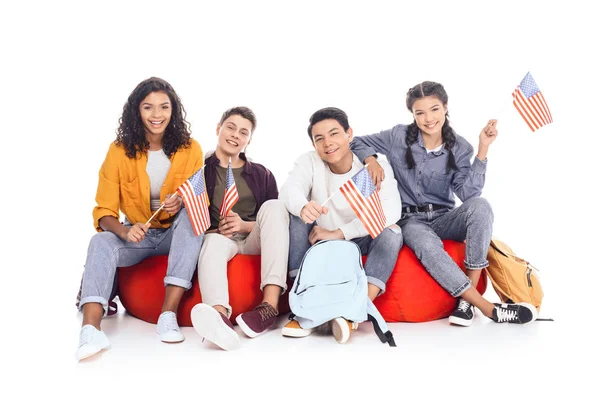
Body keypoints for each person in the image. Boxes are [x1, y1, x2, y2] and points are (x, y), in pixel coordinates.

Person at [350, 81, 538, 326]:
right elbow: (356, 142)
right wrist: (371, 159)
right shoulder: (397, 136)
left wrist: (482, 149)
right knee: (426, 245)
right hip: (410, 220)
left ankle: (466, 301)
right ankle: (486, 307)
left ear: (445, 108)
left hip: (444, 217)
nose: (428, 118)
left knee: (481, 205)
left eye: (434, 109)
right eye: (420, 112)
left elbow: (468, 194)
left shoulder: (460, 147)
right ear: (413, 115)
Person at [76, 77, 205, 361]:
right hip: (139, 237)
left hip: (176, 235)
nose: (156, 115)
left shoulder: (190, 149)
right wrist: (124, 232)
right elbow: (104, 210)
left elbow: (200, 202)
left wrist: (182, 201)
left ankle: (167, 315)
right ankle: (90, 330)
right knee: (100, 241)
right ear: (137, 110)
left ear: (174, 111)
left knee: (192, 220)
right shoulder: (119, 150)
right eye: (148, 107)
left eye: (164, 107)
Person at [279, 107, 403, 344]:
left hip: (359, 237)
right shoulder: (309, 161)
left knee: (393, 232)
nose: (328, 143)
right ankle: (303, 307)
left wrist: (340, 233)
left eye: (334, 134)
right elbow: (289, 189)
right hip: (322, 242)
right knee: (296, 214)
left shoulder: (373, 167)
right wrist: (303, 206)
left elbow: (391, 211)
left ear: (349, 134)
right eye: (319, 138)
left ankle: (355, 309)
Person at [190, 107, 288, 351]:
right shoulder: (199, 168)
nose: (235, 135)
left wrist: (245, 224)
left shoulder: (262, 174)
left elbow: (274, 222)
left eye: (243, 132)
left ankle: (269, 307)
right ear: (218, 129)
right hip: (220, 239)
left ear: (249, 140)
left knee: (276, 207)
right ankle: (219, 316)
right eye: (230, 127)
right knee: (212, 243)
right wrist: (213, 230)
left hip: (253, 238)